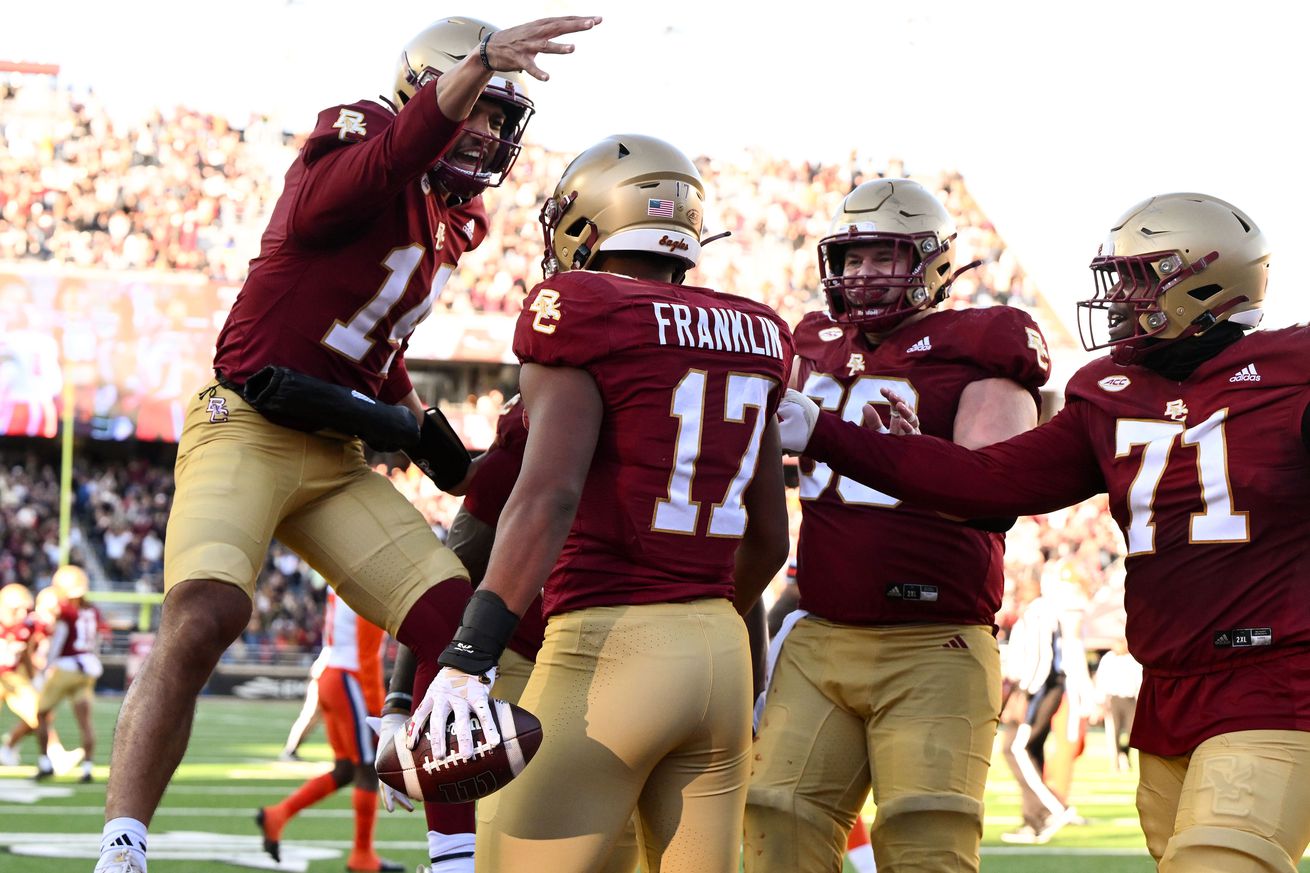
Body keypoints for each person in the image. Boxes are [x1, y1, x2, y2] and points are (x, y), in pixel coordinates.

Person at [93, 15, 602, 873]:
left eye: (497, 118)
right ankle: (122, 846)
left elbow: (378, 350)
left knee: (454, 621)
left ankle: (450, 858)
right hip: (247, 423)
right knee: (206, 611)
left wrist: (440, 445)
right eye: (473, 105)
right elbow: (367, 175)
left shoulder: (451, 220)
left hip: (336, 455)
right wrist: (476, 64)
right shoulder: (359, 140)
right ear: (425, 93)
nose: (484, 130)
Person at [777, 192, 1310, 872]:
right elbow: (984, 484)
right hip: (1169, 692)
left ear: (1202, 281)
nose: (1117, 294)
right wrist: (830, 432)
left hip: (1277, 681)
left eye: (1137, 276)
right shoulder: (1112, 389)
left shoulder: (1295, 368)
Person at [392, 133, 792, 872]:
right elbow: (769, 540)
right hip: (720, 656)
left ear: (590, 221)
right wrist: (694, 613)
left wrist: (469, 653)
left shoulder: (579, 306)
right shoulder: (757, 328)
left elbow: (547, 496)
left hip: (608, 648)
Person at [743, 178, 1051, 873]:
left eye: (882, 256)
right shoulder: (811, 340)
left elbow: (992, 490)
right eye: (850, 258)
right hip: (821, 631)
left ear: (932, 261)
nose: (860, 274)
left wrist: (914, 451)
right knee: (776, 816)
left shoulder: (982, 342)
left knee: (924, 838)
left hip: (933, 640)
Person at [258, 591, 401, 872]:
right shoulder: (367, 581)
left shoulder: (344, 575)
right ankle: (361, 856)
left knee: (346, 768)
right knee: (368, 768)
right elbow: (367, 655)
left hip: (332, 673)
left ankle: (277, 816)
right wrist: (377, 707)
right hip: (349, 677)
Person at [0, 583, 40, 765]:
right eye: (18, 609)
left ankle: (8, 746)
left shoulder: (25, 627)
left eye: (26, 609)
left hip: (13, 678)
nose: (23, 614)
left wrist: (34, 677)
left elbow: (26, 656)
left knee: (38, 717)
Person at [279, 646, 329, 762]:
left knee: (313, 716)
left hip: (326, 670)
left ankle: (290, 749)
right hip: (325, 672)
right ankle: (290, 749)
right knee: (310, 715)